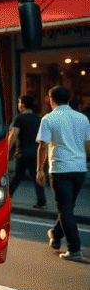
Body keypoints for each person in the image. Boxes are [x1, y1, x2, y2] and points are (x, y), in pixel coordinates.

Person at [36, 85, 90, 261]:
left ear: (51, 99)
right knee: (68, 207)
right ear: (68, 98)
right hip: (80, 169)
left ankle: (74, 250)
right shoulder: (82, 118)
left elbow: (42, 146)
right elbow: (88, 144)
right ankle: (56, 235)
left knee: (65, 208)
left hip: (60, 168)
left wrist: (39, 171)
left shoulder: (49, 119)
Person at [7, 95, 46, 208]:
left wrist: (7, 150)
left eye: (19, 102)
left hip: (23, 152)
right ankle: (42, 202)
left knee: (17, 177)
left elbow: (13, 135)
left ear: (22, 105)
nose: (19, 105)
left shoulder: (19, 118)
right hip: (35, 152)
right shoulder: (38, 119)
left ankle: (7, 198)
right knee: (36, 177)